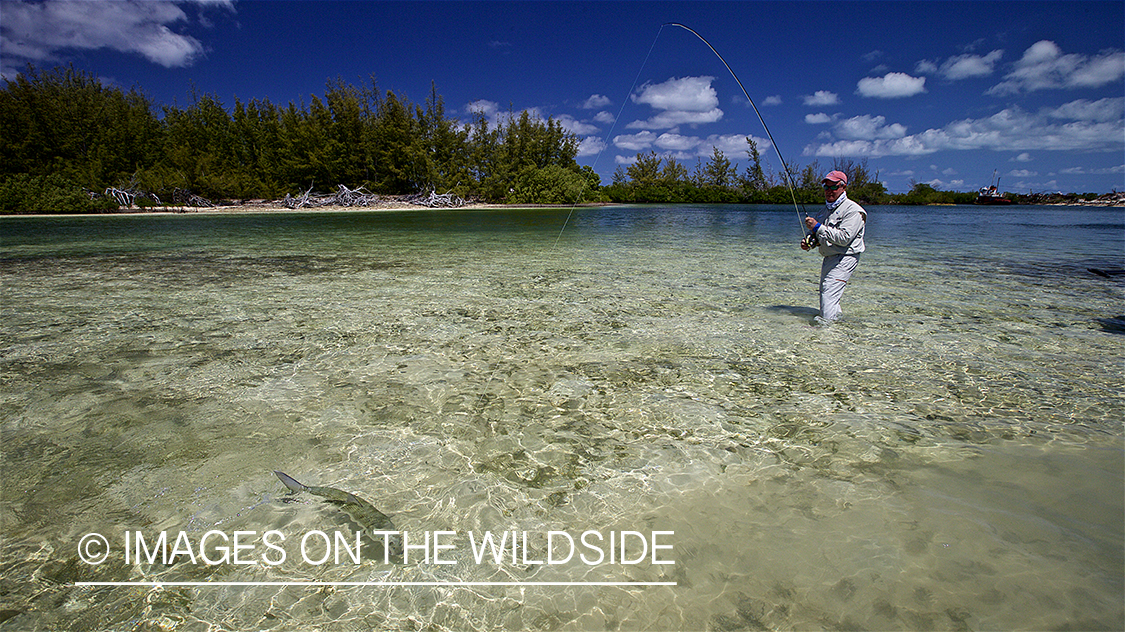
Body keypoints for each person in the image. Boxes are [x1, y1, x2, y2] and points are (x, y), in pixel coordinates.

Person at [800, 170, 866, 324]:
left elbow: (844, 238)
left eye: (833, 187)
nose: (829, 191)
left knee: (829, 291)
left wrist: (817, 227)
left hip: (846, 257)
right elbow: (820, 236)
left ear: (843, 187)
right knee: (827, 292)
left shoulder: (853, 210)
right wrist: (810, 242)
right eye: (826, 188)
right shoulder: (825, 211)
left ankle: (825, 331)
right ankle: (836, 324)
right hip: (829, 257)